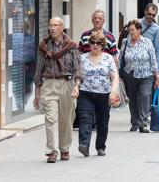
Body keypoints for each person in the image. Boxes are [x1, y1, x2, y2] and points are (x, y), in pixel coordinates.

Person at [33, 17, 83, 164]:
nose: (52, 28)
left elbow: (78, 68)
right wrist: (37, 93)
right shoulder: (44, 46)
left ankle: (64, 148)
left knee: (66, 120)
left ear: (62, 28)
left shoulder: (71, 46)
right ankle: (51, 151)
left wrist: (77, 85)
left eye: (56, 25)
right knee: (51, 119)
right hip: (49, 84)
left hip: (67, 83)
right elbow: (39, 69)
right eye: (51, 25)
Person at [77, 31, 119, 157]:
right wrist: (76, 86)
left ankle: (100, 146)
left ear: (103, 45)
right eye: (93, 42)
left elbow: (114, 76)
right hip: (86, 93)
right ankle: (84, 145)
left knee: (102, 121)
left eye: (98, 43)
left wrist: (113, 92)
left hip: (104, 94)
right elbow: (78, 75)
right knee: (85, 118)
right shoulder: (82, 58)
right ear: (89, 44)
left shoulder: (108, 58)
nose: (95, 45)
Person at [75, 10, 119, 129]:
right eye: (95, 18)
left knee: (102, 109)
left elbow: (114, 56)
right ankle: (89, 123)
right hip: (87, 76)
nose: (97, 20)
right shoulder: (85, 35)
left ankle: (99, 122)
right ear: (92, 20)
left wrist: (115, 75)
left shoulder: (109, 36)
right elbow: (79, 54)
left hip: (104, 76)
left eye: (100, 18)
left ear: (104, 21)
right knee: (86, 104)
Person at [121, 19, 159, 133]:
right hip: (130, 74)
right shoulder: (125, 42)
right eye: (129, 30)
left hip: (146, 75)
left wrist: (157, 76)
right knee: (132, 99)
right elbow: (120, 58)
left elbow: (153, 60)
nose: (131, 32)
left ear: (139, 30)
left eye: (133, 30)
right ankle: (135, 123)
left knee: (144, 96)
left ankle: (143, 123)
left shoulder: (147, 42)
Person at [139, 3, 159, 71]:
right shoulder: (137, 23)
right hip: (134, 63)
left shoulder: (156, 28)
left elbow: (158, 49)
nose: (151, 16)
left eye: (153, 15)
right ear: (145, 12)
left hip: (148, 64)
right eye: (149, 14)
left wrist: (156, 66)